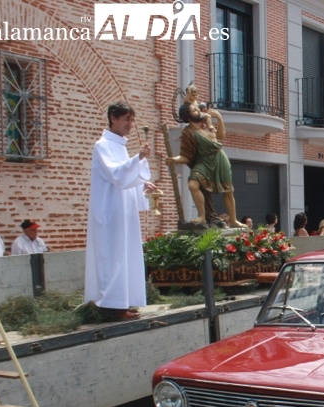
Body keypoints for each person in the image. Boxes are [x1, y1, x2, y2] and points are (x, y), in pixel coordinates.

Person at [85, 101, 156, 321]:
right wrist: (139, 159)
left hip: (123, 211)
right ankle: (111, 306)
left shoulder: (120, 147)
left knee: (125, 254)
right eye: (126, 119)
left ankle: (122, 302)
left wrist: (141, 185)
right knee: (113, 256)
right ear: (113, 118)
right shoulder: (102, 145)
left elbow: (125, 178)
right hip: (110, 211)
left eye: (132, 120)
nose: (130, 124)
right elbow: (116, 175)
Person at [166, 84, 245, 228]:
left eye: (197, 109)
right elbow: (186, 156)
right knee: (192, 184)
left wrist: (219, 118)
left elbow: (221, 137)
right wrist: (174, 160)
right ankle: (202, 216)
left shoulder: (207, 126)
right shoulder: (188, 132)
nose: (198, 111)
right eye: (195, 110)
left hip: (219, 159)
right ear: (189, 116)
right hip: (203, 161)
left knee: (228, 191)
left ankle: (233, 220)